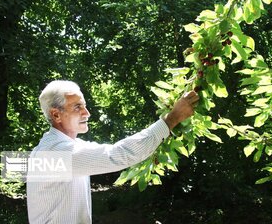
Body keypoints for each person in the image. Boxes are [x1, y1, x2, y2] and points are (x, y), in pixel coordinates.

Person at [26, 80, 199, 224]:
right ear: (56, 115)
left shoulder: (65, 146)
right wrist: (171, 119)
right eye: (77, 107)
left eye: (85, 106)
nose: (87, 113)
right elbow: (118, 154)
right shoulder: (55, 153)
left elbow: (114, 150)